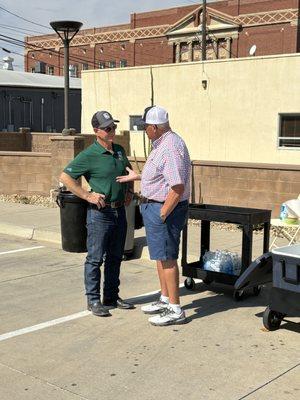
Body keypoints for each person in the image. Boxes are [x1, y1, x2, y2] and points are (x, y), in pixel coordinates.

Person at [116, 106, 190, 326]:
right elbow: (163, 176)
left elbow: (177, 186)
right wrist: (139, 176)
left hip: (164, 209)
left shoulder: (169, 147)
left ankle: (176, 309)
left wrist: (163, 212)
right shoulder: (163, 144)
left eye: (146, 127)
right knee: (160, 255)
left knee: (167, 258)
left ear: (155, 127)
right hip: (156, 207)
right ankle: (165, 299)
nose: (144, 131)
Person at [60, 110, 134, 317]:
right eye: (108, 128)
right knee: (95, 258)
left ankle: (111, 296)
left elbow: (128, 175)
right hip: (100, 214)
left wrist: (129, 191)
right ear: (96, 131)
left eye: (114, 127)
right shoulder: (88, 155)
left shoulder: (119, 150)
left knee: (115, 257)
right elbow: (65, 177)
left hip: (119, 211)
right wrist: (87, 195)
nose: (112, 131)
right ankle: (93, 300)